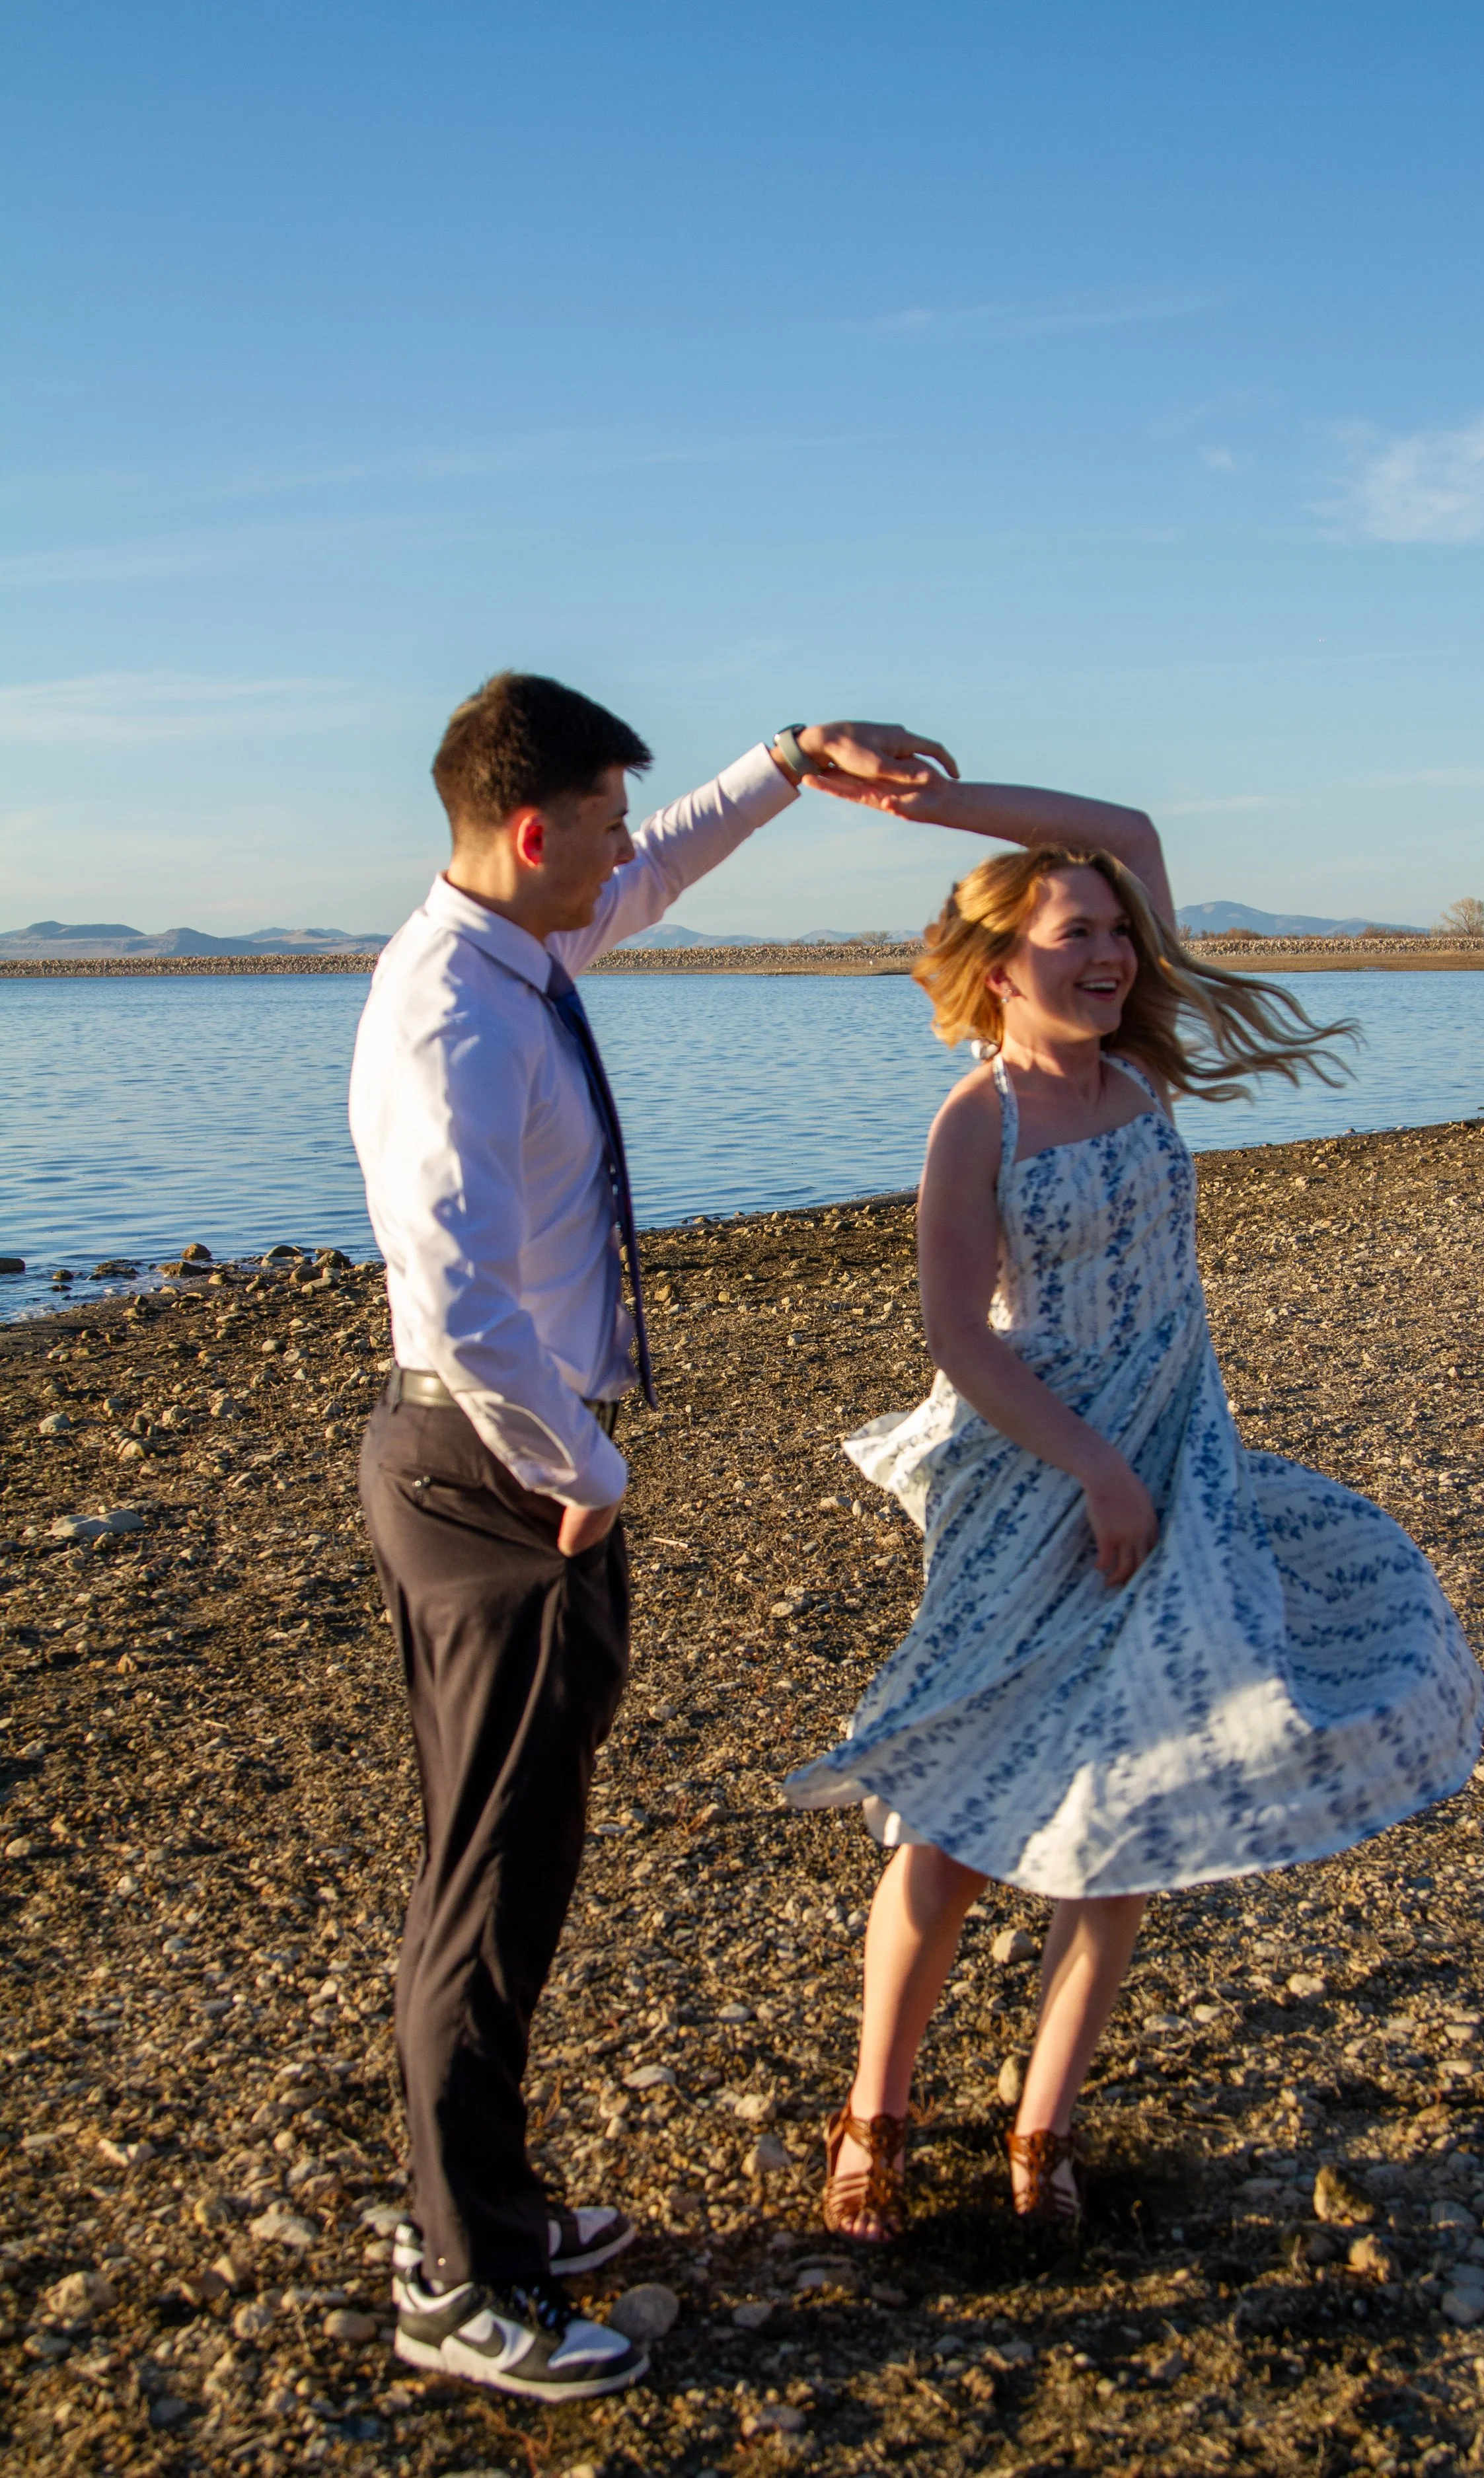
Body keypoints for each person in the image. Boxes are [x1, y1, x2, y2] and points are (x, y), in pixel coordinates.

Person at [350, 673, 955, 2394]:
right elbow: (461, 1300)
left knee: (501, 1859)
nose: (625, 854)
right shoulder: (447, 1016)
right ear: (531, 832)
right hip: (493, 1474)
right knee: (487, 1880)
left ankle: (481, 2202)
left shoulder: (508, 944)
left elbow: (665, 868)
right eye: (603, 825)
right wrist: (585, 1466)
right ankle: (460, 2280)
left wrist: (781, 765)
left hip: (495, 1458)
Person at [783, 780, 1484, 2235]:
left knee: (1144, 1789)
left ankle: (1042, 2131)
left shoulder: (1137, 1073)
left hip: (1182, 1466)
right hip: (1034, 1477)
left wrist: (936, 798)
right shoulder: (973, 1121)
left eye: (1114, 930)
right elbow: (959, 1343)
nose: (1108, 953)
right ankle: (877, 2113)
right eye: (1072, 934)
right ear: (998, 967)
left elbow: (1132, 827)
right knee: (963, 1812)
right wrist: (1094, 1472)